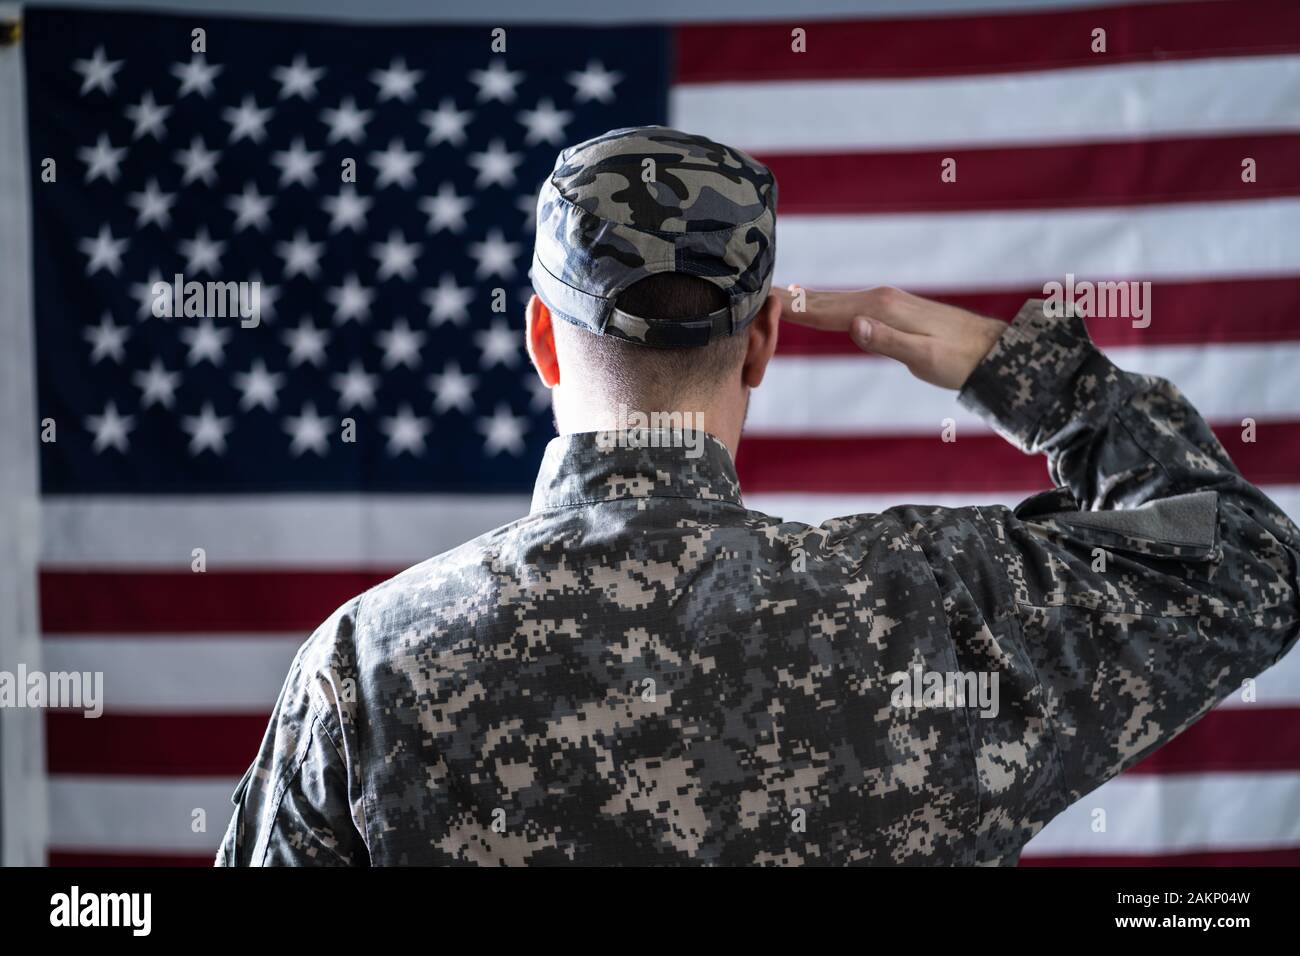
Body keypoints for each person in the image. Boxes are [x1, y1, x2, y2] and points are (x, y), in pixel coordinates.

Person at [218, 126, 1299, 866]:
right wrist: (1028, 373)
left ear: (541, 336)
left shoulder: (365, 666)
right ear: (763, 342)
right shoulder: (942, 606)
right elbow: (1249, 563)